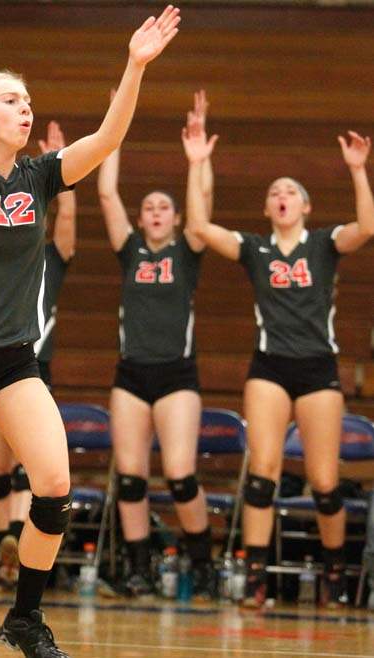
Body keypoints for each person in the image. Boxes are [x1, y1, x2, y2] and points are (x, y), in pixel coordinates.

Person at [0, 10, 180, 658]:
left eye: (28, 101)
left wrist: (135, 66)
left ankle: (25, 619)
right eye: (10, 100)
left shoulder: (37, 177)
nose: (24, 109)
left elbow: (108, 139)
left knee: (55, 488)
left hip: (12, 359)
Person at [184, 125, 374, 608]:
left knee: (325, 481)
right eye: (275, 193)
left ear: (305, 207)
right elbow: (200, 229)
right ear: (268, 210)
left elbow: (367, 228)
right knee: (263, 475)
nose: (282, 196)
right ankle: (255, 579)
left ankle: (334, 572)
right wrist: (196, 163)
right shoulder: (255, 248)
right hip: (269, 366)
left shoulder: (324, 243)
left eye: (291, 191)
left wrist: (358, 171)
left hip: (317, 370)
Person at [97, 90, 215, 598]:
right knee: (130, 477)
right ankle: (139, 567)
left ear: (174, 217)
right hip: (131, 374)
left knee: (181, 475)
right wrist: (115, 132)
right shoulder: (130, 250)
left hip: (176, 374)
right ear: (142, 220)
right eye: (149, 207)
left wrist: (197, 163)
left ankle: (203, 563)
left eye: (164, 206)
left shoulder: (189, 250)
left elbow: (202, 209)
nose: (156, 211)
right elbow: (105, 194)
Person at [0, 119, 76, 593]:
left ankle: (16, 541)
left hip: (31, 369)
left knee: (27, 466)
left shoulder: (51, 259)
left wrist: (63, 176)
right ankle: (2, 545)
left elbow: (66, 230)